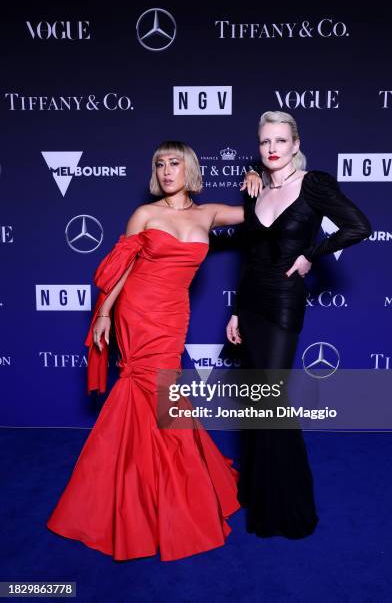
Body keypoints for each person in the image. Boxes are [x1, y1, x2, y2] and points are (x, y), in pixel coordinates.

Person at [46, 141, 244, 562]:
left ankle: (155, 484)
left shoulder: (207, 213)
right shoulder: (145, 215)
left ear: (189, 168)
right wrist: (102, 314)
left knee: (164, 393)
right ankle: (134, 490)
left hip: (174, 314)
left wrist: (260, 179)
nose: (167, 170)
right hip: (137, 311)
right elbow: (122, 269)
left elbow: (262, 214)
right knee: (148, 389)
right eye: (160, 164)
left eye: (174, 163)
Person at [226, 110, 372, 539]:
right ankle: (257, 491)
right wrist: (235, 310)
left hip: (285, 300)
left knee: (271, 397)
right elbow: (249, 257)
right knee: (256, 402)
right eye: (264, 142)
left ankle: (289, 507)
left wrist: (312, 254)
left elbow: (359, 226)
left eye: (280, 141)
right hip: (251, 300)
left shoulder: (314, 184)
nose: (272, 148)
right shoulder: (253, 189)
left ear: (295, 144)